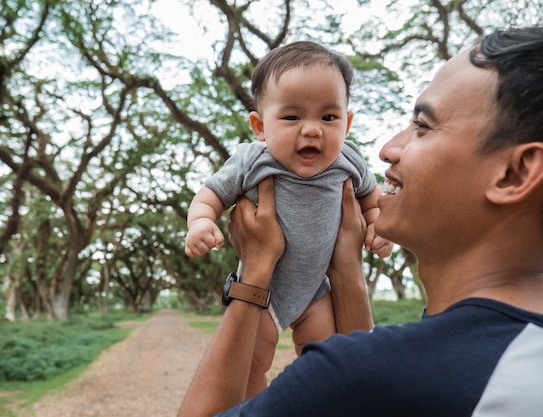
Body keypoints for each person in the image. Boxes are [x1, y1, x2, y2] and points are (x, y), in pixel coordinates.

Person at [178, 26, 543, 417]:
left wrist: (255, 273)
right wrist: (347, 267)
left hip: (305, 293)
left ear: (514, 173)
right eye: (292, 115)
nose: (387, 150)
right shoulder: (513, 356)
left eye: (422, 125)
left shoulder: (352, 376)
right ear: (260, 126)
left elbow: (351, 379)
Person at [184, 41, 392, 396]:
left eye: (329, 117)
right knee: (250, 363)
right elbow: (210, 196)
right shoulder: (253, 161)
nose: (312, 130)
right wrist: (201, 222)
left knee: (325, 359)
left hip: (318, 291)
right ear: (260, 126)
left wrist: (378, 228)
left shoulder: (349, 160)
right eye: (292, 117)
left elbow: (373, 202)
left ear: (347, 122)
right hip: (265, 292)